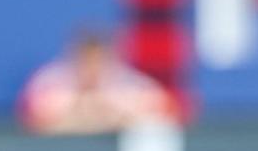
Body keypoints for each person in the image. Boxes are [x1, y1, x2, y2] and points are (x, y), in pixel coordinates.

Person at [18, 30, 176, 134]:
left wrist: (117, 115)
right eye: (87, 60)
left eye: (98, 60)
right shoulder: (50, 81)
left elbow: (169, 114)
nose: (92, 68)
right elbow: (31, 121)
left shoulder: (132, 85)